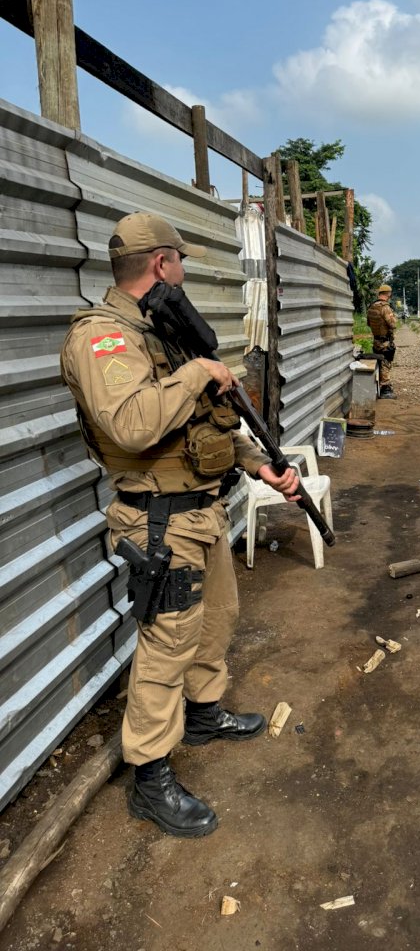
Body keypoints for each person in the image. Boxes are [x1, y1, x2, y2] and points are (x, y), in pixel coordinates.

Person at [60, 211, 299, 839]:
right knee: (165, 647)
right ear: (162, 263)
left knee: (215, 620)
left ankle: (203, 715)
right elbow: (133, 425)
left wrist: (259, 466)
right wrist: (199, 372)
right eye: (183, 261)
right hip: (159, 524)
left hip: (202, 513)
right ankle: (151, 778)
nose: (186, 272)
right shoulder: (104, 337)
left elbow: (203, 427)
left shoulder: (162, 333)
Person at [366, 283, 398, 398]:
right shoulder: (385, 307)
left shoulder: (372, 306)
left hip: (376, 340)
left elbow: (369, 323)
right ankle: (385, 389)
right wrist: (395, 317)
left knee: (379, 362)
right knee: (385, 363)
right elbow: (393, 324)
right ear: (388, 294)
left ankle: (379, 385)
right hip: (385, 341)